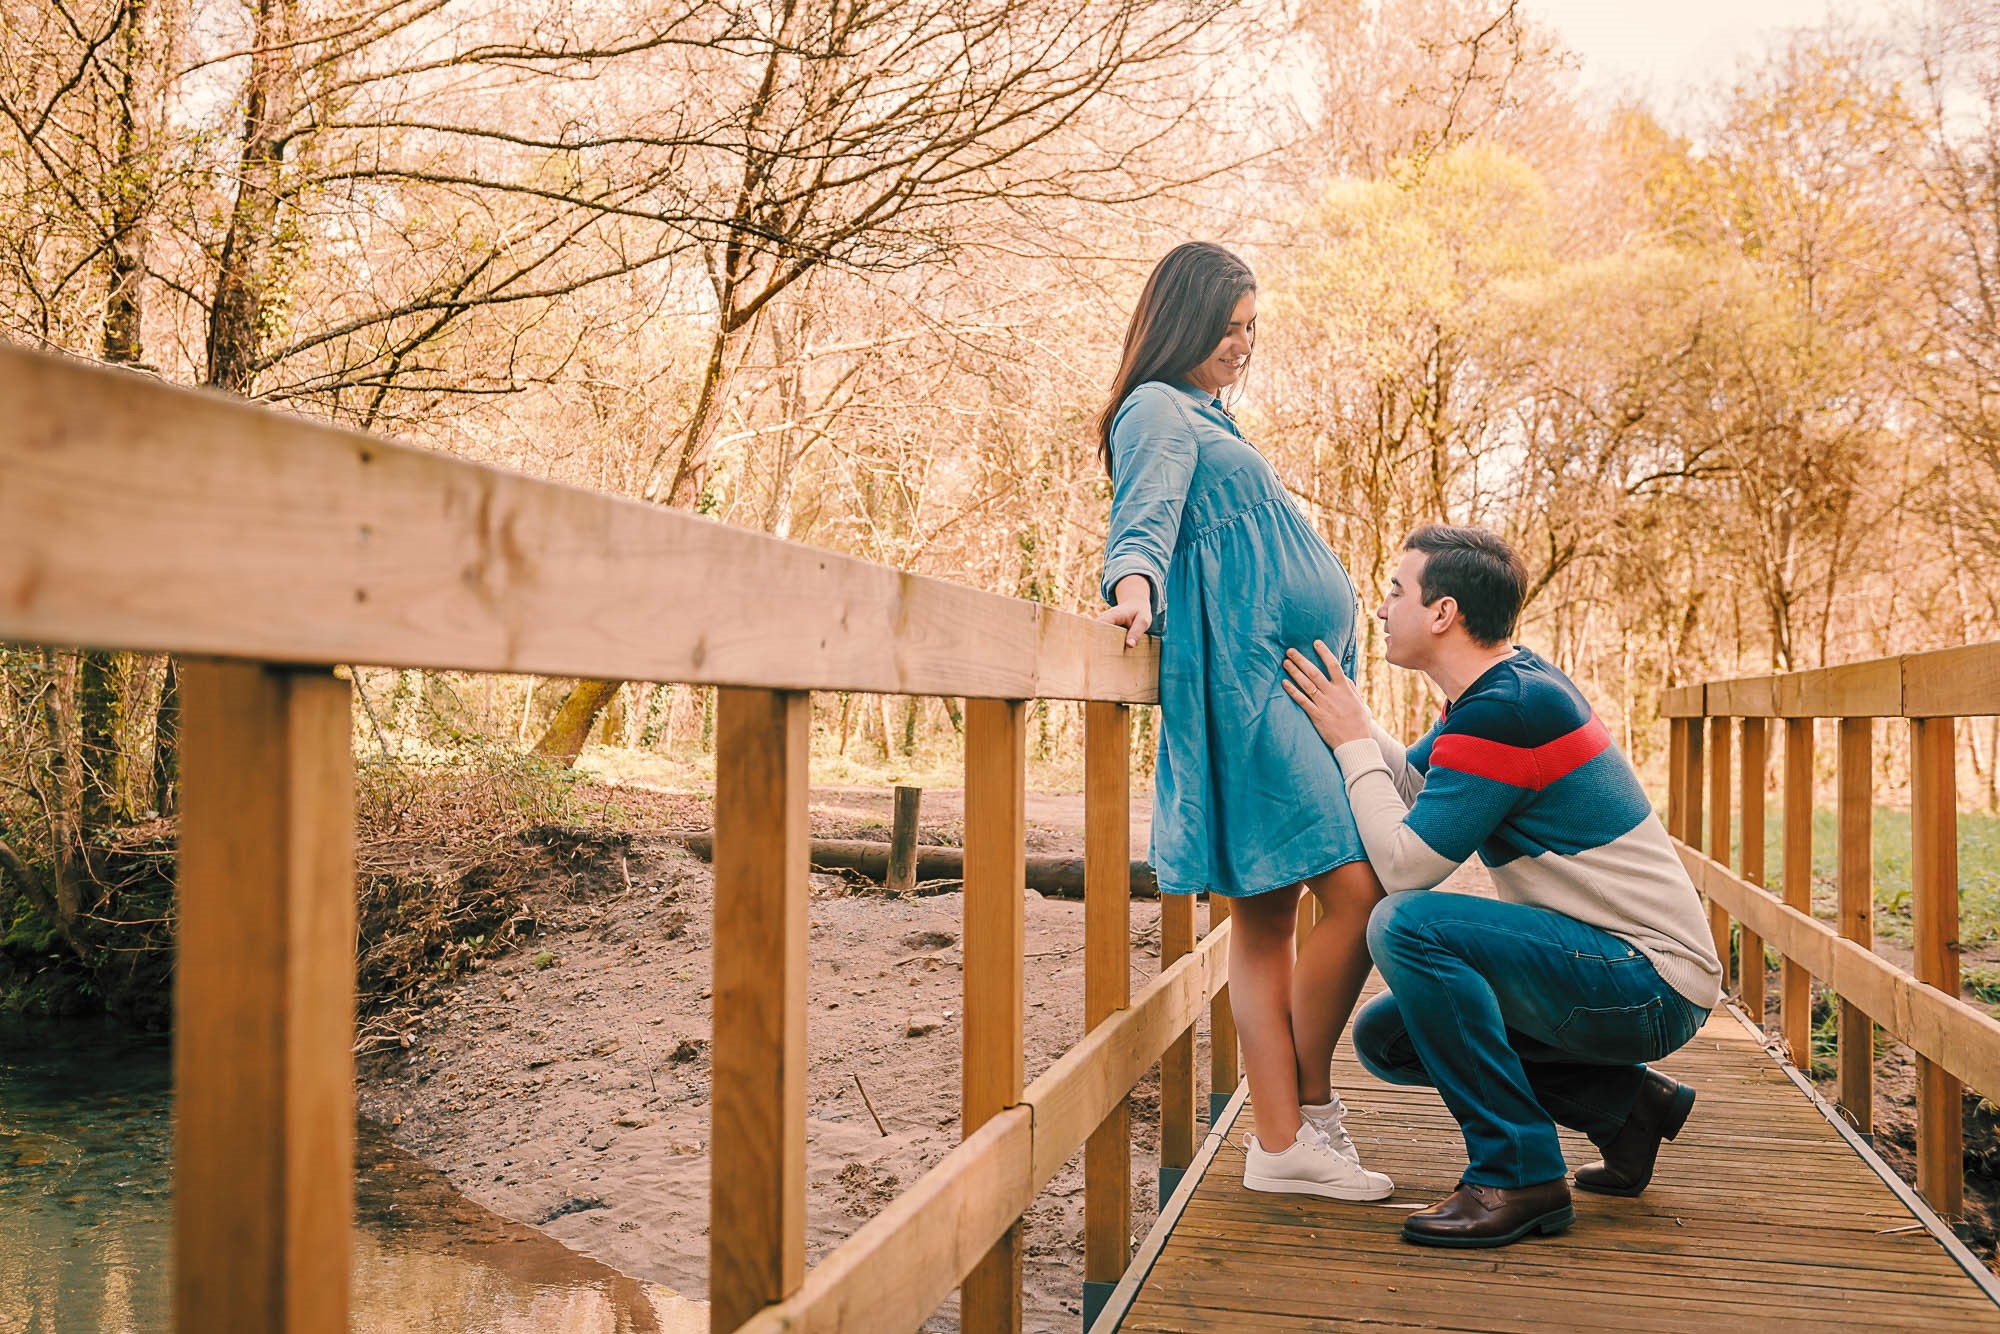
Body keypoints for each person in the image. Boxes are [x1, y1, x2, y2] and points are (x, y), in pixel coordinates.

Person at [1279, 524, 1724, 1247]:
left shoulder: (1509, 712)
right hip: (1622, 971)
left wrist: (1352, 739)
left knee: (1406, 923)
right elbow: (1414, 781)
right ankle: (1628, 1108)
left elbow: (1405, 867)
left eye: (1397, 591)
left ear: (1443, 613)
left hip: (1648, 981)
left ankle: (1517, 1174)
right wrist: (1348, 724)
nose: (1382, 608)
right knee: (1388, 1039)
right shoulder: (1498, 694)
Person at [1097, 242, 1392, 1201]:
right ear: (1182, 323)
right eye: (1228, 328)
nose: (1243, 345)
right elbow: (1141, 517)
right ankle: (1294, 1116)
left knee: (1280, 915)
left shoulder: (1207, 415)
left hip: (1291, 687)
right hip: (1252, 693)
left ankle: (1290, 1127)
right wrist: (1133, 586)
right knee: (1348, 892)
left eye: (1252, 328)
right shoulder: (1155, 409)